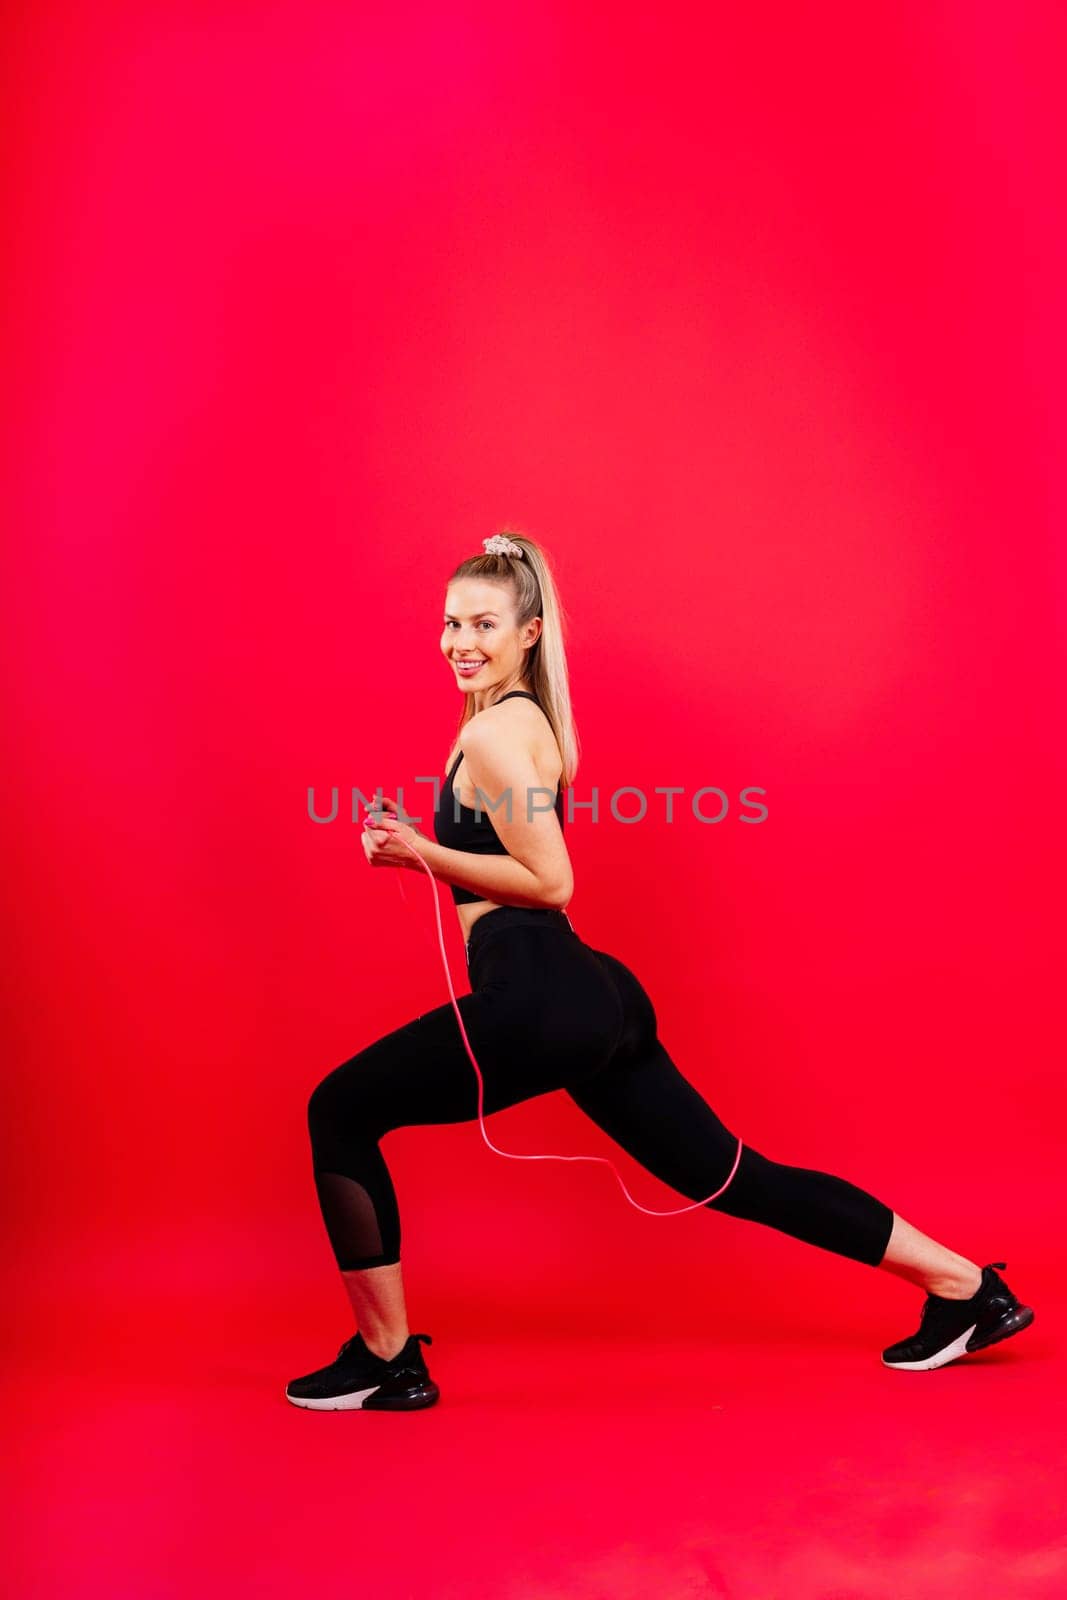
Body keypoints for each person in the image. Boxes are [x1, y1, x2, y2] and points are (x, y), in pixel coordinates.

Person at [286, 532, 1034, 1411]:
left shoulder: (492, 733)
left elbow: (549, 881)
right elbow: (524, 863)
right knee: (732, 1177)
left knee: (337, 1109)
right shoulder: (525, 719)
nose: (460, 641)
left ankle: (386, 1361)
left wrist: (419, 853)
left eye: (483, 623)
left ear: (529, 632)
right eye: (450, 622)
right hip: (590, 994)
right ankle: (963, 1288)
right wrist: (426, 847)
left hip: (540, 996)